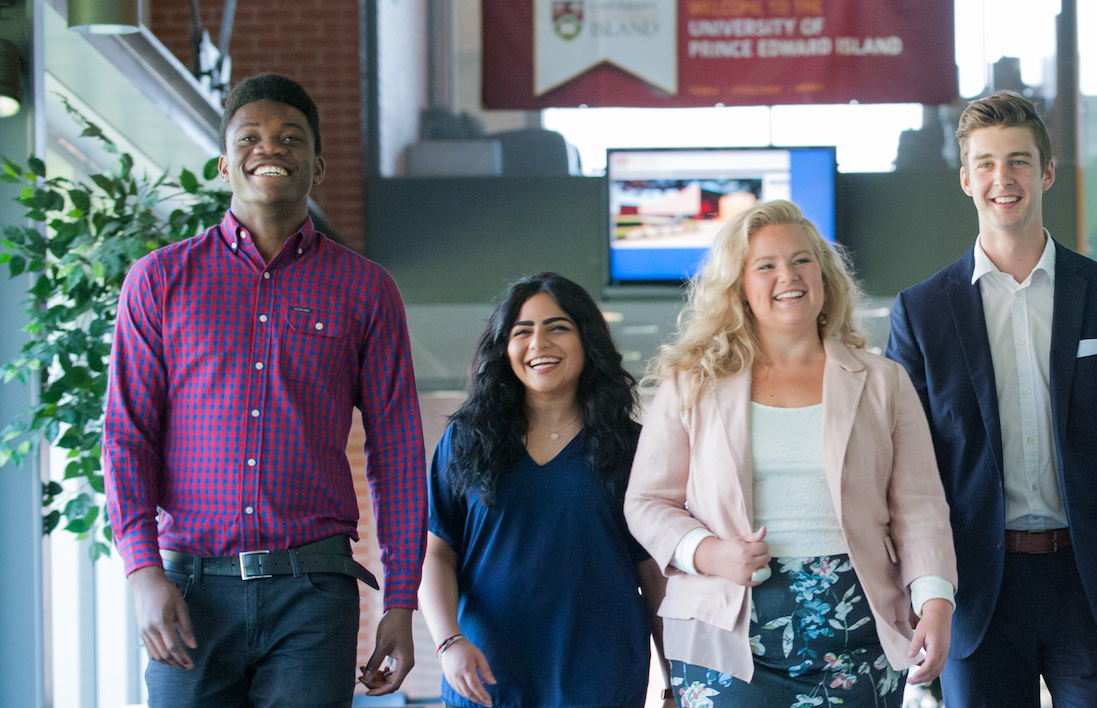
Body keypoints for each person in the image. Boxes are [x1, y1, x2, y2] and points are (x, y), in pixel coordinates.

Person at [103, 73, 425, 705]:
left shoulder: (366, 290)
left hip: (313, 596)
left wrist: (402, 601)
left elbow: (400, 454)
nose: (268, 148)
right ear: (225, 164)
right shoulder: (158, 282)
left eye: (290, 137)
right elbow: (126, 438)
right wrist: (142, 571)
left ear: (317, 163)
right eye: (249, 136)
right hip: (189, 591)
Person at [883, 90, 1097, 708]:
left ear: (1048, 172)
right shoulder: (921, 313)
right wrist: (912, 591)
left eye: (1020, 160)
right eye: (986, 163)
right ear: (966, 179)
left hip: (1088, 584)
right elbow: (904, 473)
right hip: (974, 591)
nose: (1003, 178)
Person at [625, 200, 958, 708]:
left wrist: (934, 603)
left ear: (823, 276)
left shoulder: (883, 381)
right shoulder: (692, 382)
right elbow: (646, 503)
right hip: (724, 633)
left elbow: (920, 507)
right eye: (767, 265)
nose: (789, 275)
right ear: (739, 286)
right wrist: (710, 553)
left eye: (802, 260)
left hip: (857, 631)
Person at [419, 272, 672, 708]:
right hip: (487, 675)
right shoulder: (467, 438)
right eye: (523, 331)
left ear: (586, 342)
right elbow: (436, 553)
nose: (539, 342)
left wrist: (674, 684)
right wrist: (447, 643)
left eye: (558, 327)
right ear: (505, 348)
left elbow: (654, 574)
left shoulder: (632, 446)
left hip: (601, 675)